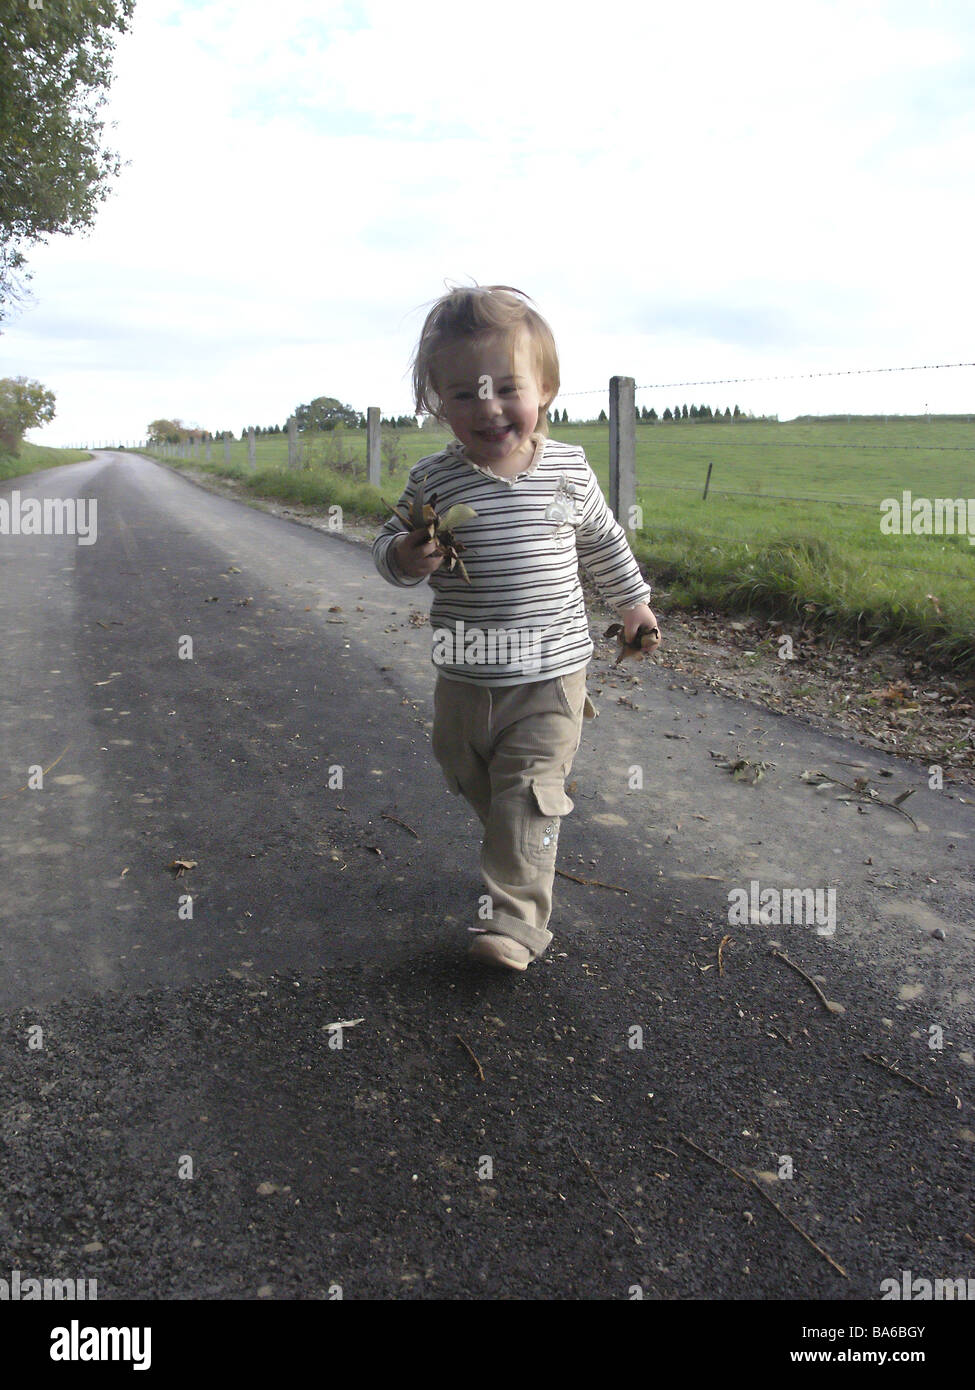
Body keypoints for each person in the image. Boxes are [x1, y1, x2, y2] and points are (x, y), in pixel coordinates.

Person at [372, 284, 660, 971]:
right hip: (465, 672)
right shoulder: (432, 480)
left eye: (506, 387)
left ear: (547, 389)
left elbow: (601, 542)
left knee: (528, 792)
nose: (488, 408)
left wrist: (632, 605)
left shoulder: (565, 470)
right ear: (436, 402)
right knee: (467, 772)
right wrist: (407, 555)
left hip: (550, 673)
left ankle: (517, 923)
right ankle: (511, 846)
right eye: (464, 393)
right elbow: (388, 547)